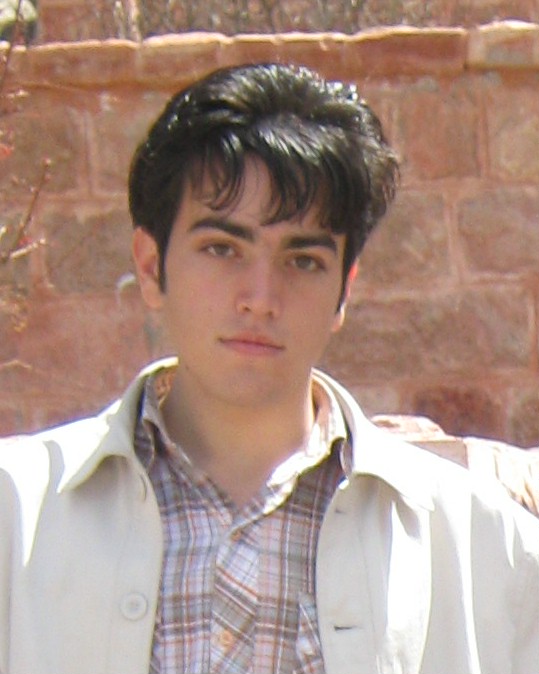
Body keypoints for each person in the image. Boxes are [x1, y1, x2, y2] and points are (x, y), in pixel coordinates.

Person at [1, 62, 539, 674]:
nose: (260, 297)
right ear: (152, 267)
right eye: (222, 249)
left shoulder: (483, 549)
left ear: (345, 290)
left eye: (302, 260)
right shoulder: (16, 518)